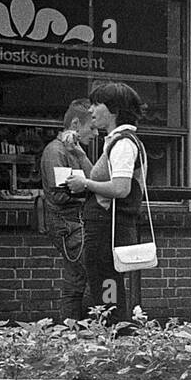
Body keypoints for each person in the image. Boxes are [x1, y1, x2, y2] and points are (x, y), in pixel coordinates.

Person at [67, 81, 147, 326]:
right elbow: (102, 178)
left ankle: (114, 329)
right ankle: (113, 326)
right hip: (105, 225)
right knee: (105, 280)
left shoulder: (123, 143)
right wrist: (80, 155)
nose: (91, 110)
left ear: (114, 109)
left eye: (96, 104)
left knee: (106, 281)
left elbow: (121, 188)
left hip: (107, 227)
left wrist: (85, 184)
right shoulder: (116, 141)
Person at [38, 98, 97, 321]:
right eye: (91, 128)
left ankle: (69, 328)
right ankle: (98, 326)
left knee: (75, 280)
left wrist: (82, 156)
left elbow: (95, 179)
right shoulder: (55, 152)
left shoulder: (74, 151)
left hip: (76, 221)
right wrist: (89, 190)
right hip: (68, 223)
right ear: (75, 124)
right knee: (96, 272)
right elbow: (59, 194)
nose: (95, 134)